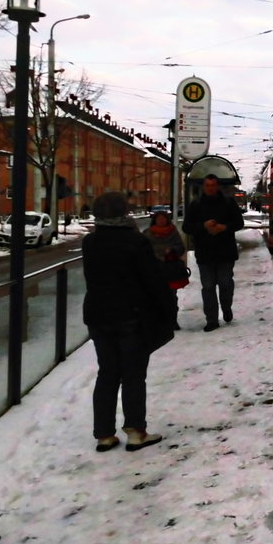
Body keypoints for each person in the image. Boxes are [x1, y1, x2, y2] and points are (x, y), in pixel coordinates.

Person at [82, 191, 176, 453]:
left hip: (98, 316)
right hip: (131, 315)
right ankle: (135, 431)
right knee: (133, 374)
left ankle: (104, 434)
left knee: (107, 373)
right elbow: (152, 280)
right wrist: (168, 310)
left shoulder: (90, 242)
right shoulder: (135, 240)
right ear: (123, 212)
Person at [183, 173, 245, 331]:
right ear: (204, 187)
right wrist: (203, 226)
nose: (210, 188)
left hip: (225, 252)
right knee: (208, 287)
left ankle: (226, 307)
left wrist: (224, 227)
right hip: (205, 253)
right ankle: (211, 320)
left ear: (217, 187)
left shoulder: (228, 202)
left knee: (225, 284)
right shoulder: (195, 204)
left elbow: (239, 222)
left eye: (213, 185)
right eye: (207, 186)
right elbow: (186, 227)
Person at [143, 208, 187, 329]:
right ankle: (159, 321)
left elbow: (180, 247)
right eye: (159, 219)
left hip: (170, 269)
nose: (161, 221)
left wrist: (172, 250)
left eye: (163, 219)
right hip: (154, 270)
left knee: (171, 296)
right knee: (155, 297)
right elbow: (142, 250)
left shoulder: (173, 232)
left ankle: (172, 320)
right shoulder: (147, 233)